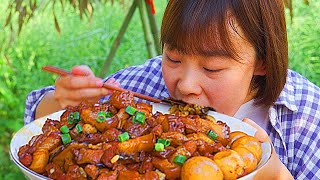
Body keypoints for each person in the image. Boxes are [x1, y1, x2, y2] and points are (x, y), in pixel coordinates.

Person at [24, 0, 320, 179]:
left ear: (263, 62)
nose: (186, 85)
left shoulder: (306, 118)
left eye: (212, 68)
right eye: (174, 58)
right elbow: (38, 115)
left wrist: (276, 176)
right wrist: (64, 99)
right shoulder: (146, 84)